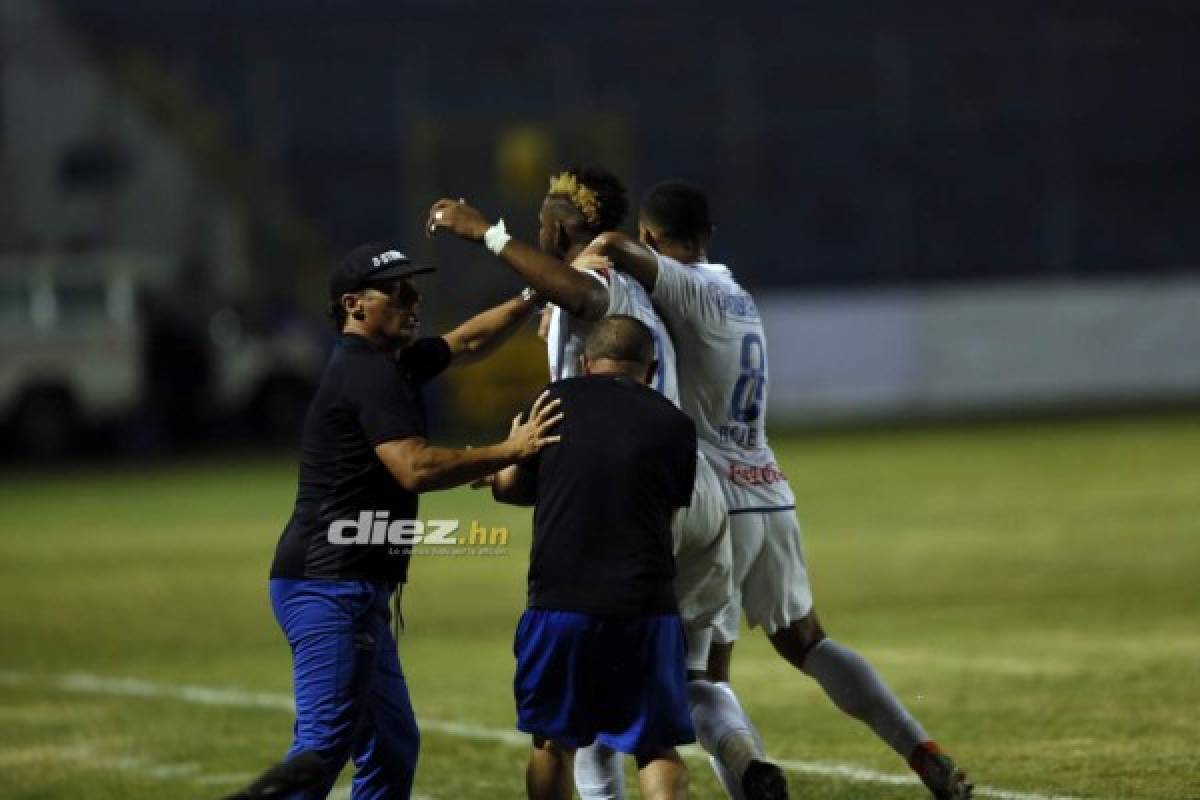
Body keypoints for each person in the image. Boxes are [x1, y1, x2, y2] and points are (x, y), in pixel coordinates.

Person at [570, 181, 974, 800]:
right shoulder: (739, 295)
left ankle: (754, 779)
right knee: (807, 641)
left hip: (719, 502)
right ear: (712, 235)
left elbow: (624, 252)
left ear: (656, 236)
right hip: (771, 489)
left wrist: (594, 249)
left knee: (703, 678)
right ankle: (919, 746)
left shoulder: (692, 287)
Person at [429, 168, 739, 799]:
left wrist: (485, 233)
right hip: (669, 487)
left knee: (562, 727)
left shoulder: (600, 283)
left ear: (560, 227)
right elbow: (490, 333)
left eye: (540, 223)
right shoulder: (576, 298)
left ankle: (732, 757)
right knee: (658, 712)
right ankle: (743, 758)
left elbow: (583, 295)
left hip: (611, 516)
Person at [226, 242, 562, 800]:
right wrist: (510, 448)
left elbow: (469, 339)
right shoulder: (366, 372)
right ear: (354, 305)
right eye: (398, 291)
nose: (414, 298)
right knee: (321, 750)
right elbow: (414, 466)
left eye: (414, 287)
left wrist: (533, 294)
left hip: (348, 585)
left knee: (390, 747)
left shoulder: (390, 363)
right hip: (330, 583)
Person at [490, 315, 699, 800]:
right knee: (655, 746)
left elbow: (514, 488)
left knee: (551, 742)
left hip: (560, 601)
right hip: (645, 604)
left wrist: (501, 476)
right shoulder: (673, 424)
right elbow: (664, 512)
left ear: (586, 362)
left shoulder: (551, 402)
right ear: (650, 367)